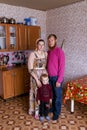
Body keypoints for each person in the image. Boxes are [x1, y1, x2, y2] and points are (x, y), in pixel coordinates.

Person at [47, 34, 65, 121]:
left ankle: (56, 113)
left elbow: (62, 67)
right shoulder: (49, 52)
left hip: (57, 78)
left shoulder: (59, 51)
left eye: (52, 40)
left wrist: (59, 80)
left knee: (58, 97)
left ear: (56, 40)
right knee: (53, 96)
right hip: (50, 78)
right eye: (49, 40)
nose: (50, 42)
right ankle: (53, 109)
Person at [28, 38, 47, 119]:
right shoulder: (33, 54)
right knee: (36, 93)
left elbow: (44, 67)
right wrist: (37, 80)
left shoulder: (45, 54)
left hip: (43, 76)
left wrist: (46, 76)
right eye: (40, 44)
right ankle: (35, 111)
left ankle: (42, 110)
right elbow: (30, 69)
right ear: (37, 45)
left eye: (43, 45)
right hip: (35, 76)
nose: (41, 46)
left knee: (43, 93)